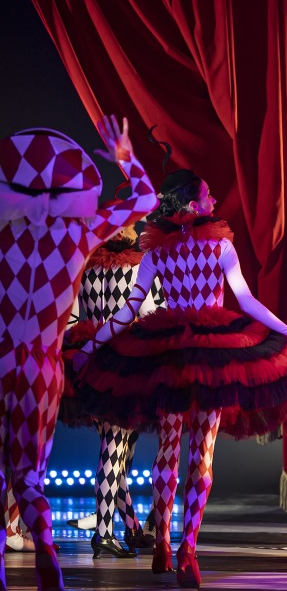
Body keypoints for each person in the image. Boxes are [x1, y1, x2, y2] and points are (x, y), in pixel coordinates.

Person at [74, 132, 287, 588]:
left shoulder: (156, 250)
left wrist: (93, 345)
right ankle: (187, 548)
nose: (213, 199)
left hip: (167, 351)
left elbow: (130, 310)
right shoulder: (219, 246)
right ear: (192, 204)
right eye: (207, 194)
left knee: (167, 450)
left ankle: (163, 544)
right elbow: (245, 301)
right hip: (212, 354)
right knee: (201, 453)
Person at [0, 115, 159, 590]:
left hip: (2, 357)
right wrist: (125, 156)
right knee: (28, 476)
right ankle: (47, 558)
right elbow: (146, 199)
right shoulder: (79, 232)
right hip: (40, 367)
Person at [59, 217, 164, 557]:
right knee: (114, 449)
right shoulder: (140, 268)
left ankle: (131, 527)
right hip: (124, 364)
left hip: (89, 364)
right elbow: (155, 315)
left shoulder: (85, 268)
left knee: (118, 451)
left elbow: (71, 320)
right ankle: (104, 533)